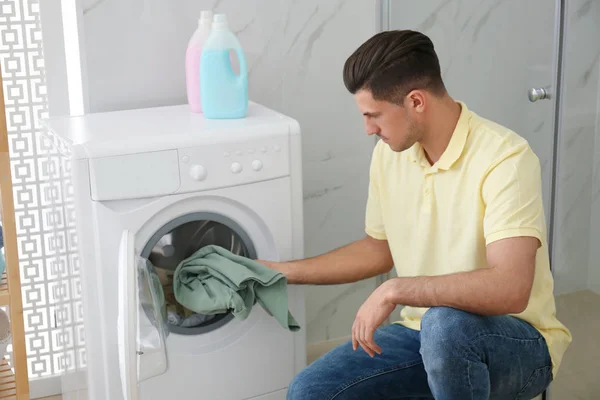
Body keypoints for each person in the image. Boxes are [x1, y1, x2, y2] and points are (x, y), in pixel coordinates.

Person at [259, 30, 572, 399]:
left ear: (416, 101)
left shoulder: (505, 158)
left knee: (445, 325)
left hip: (517, 342)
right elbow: (378, 250)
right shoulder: (390, 155)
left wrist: (397, 289)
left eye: (374, 115)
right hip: (423, 335)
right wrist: (281, 273)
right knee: (311, 391)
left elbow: (511, 287)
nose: (368, 129)